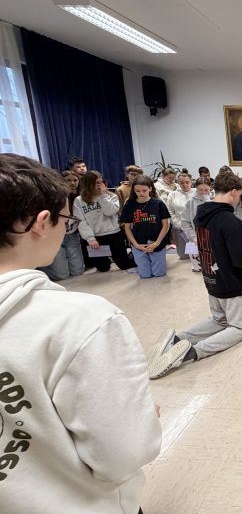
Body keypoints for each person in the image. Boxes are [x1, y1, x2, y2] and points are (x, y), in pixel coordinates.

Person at [0, 153, 161, 514]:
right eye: (66, 219)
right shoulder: (81, 320)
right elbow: (123, 455)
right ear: (42, 223)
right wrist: (139, 421)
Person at [146, 172, 242, 379]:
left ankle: (177, 339)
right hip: (233, 283)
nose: (239, 200)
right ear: (233, 192)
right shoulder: (231, 222)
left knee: (219, 320)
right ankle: (191, 352)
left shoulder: (201, 215)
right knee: (239, 329)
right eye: (239, 195)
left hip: (212, 279)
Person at [73, 171, 136, 272]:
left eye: (101, 182)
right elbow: (81, 221)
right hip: (95, 236)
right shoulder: (79, 200)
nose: (99, 185)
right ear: (88, 184)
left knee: (125, 265)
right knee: (103, 268)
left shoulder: (111, 196)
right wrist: (90, 238)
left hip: (113, 233)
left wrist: (102, 196)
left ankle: (132, 254)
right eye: (96, 183)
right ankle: (108, 258)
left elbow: (110, 212)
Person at [121, 176, 171, 279]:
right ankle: (140, 265)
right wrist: (136, 245)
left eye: (144, 190)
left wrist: (157, 243)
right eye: (137, 191)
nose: (141, 193)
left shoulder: (158, 204)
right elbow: (127, 228)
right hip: (138, 243)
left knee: (159, 274)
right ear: (133, 190)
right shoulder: (129, 205)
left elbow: (166, 225)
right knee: (145, 275)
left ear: (150, 189)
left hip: (157, 242)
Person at [39, 170, 85, 281]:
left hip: (72, 234)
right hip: (55, 234)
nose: (72, 183)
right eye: (68, 180)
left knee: (78, 271)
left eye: (75, 180)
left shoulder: (81, 197)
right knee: (61, 275)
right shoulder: (52, 197)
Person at [182, 177, 213, 272]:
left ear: (210, 188)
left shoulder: (214, 201)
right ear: (196, 188)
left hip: (211, 238)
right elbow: (185, 222)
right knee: (197, 267)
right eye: (200, 190)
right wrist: (194, 238)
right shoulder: (190, 203)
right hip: (194, 238)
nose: (203, 192)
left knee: (211, 268)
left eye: (206, 190)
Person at [166, 172, 196, 261]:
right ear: (178, 182)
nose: (185, 185)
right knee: (183, 255)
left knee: (194, 254)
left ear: (191, 182)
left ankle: (194, 260)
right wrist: (177, 223)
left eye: (187, 182)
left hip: (195, 227)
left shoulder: (197, 192)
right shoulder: (173, 194)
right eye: (182, 183)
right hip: (179, 226)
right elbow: (170, 211)